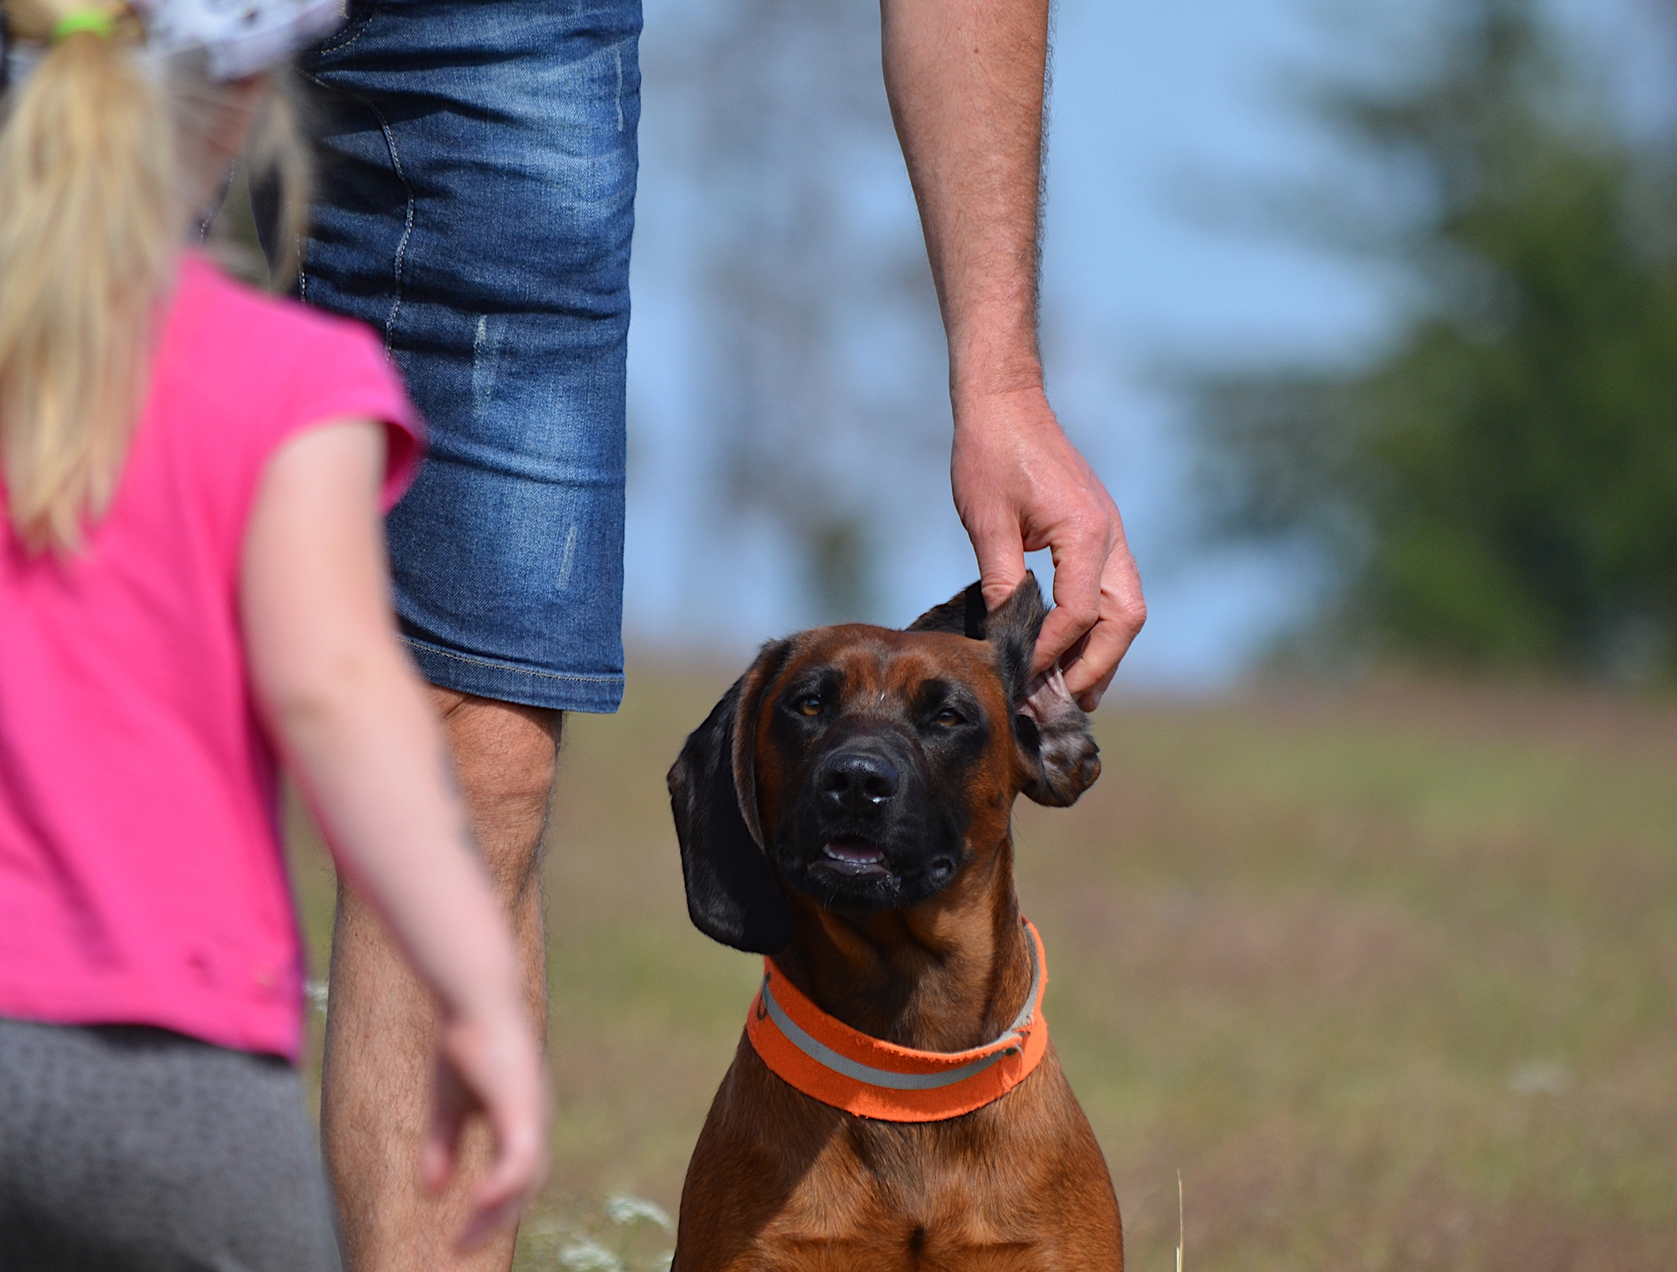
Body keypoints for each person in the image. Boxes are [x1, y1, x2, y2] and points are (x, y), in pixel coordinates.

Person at [295, 0, 1148, 1266]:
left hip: (505, 36)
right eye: (813, 717)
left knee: (475, 752)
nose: (859, 764)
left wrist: (1002, 381)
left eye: (937, 722)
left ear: (1046, 758)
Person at [0, 1, 548, 1267]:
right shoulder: (290, 381)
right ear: (254, 96)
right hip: (176, 1089)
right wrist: (476, 989)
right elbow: (338, 695)